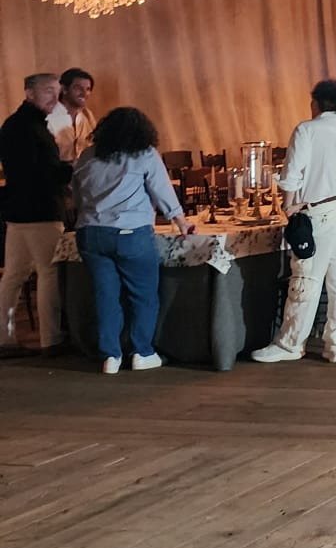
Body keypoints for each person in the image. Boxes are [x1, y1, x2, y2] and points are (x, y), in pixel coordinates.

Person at [252, 78, 336, 366]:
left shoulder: (307, 130)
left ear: (317, 102)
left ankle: (290, 344)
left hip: (317, 215)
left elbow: (291, 175)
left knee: (306, 278)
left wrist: (289, 207)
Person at [71, 105, 194, 373]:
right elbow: (162, 191)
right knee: (143, 295)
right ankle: (142, 352)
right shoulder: (144, 154)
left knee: (105, 295)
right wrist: (181, 222)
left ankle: (110, 356)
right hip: (130, 233)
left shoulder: (88, 155)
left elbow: (77, 196)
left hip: (91, 234)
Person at [0, 73, 72, 352]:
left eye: (57, 91)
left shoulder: (18, 123)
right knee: (49, 272)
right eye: (48, 91)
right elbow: (38, 172)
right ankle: (51, 339)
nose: (55, 97)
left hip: (18, 209)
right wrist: (70, 170)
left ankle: (5, 338)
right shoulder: (29, 127)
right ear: (29, 93)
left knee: (13, 276)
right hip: (40, 209)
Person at [48, 67, 97, 163]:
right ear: (64, 89)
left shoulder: (87, 115)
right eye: (79, 88)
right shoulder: (48, 117)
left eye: (88, 89)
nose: (84, 93)